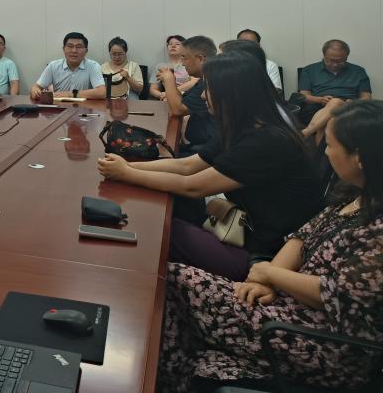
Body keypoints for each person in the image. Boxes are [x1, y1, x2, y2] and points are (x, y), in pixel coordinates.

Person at [158, 99, 383, 392]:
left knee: (172, 281)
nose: (326, 153)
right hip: (286, 302)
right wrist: (265, 281)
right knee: (173, 287)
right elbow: (301, 238)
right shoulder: (356, 195)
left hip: (321, 341)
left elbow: (337, 295)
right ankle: (173, 377)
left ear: (360, 158)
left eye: (330, 145)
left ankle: (166, 378)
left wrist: (270, 273)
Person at [98, 52, 322, 280]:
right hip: (242, 229)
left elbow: (192, 186)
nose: (204, 95)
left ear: (233, 94)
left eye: (209, 88)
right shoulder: (243, 125)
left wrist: (127, 173)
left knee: (156, 228)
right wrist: (128, 167)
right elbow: (187, 166)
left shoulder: (265, 140)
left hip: (263, 254)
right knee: (166, 209)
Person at [159, 35, 218, 155]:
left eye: (184, 58)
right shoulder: (203, 78)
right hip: (197, 144)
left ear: (200, 59)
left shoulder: (211, 80)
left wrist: (169, 80)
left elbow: (178, 109)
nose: (182, 63)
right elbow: (182, 99)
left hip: (206, 148)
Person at [298, 39, 372, 121]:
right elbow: (303, 96)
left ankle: (311, 129)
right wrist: (320, 100)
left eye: (340, 61)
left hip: (349, 109)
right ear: (324, 55)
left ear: (346, 57)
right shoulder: (309, 70)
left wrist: (353, 103)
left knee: (336, 103)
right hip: (317, 108)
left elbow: (367, 98)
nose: (335, 65)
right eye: (331, 61)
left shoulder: (358, 71)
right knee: (335, 103)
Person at [30, 32, 105, 100]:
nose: (74, 51)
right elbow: (36, 87)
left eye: (79, 47)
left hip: (84, 107)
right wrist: (35, 91)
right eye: (70, 46)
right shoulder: (53, 66)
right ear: (63, 49)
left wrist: (69, 94)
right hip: (59, 107)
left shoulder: (93, 66)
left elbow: (101, 92)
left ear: (86, 51)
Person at [148, 35, 197, 100]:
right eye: (170, 44)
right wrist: (161, 95)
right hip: (167, 98)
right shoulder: (160, 66)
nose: (173, 46)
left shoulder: (189, 64)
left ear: (185, 48)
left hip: (188, 96)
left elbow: (194, 81)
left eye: (177, 44)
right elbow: (153, 89)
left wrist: (171, 92)